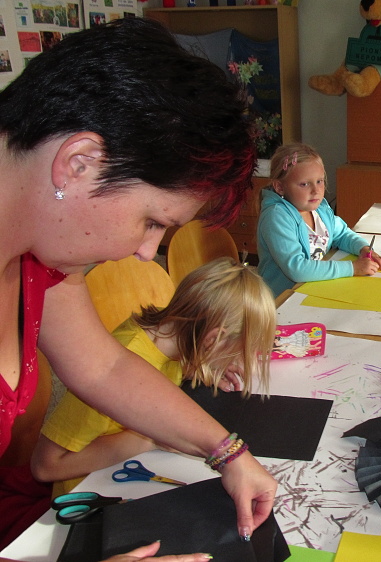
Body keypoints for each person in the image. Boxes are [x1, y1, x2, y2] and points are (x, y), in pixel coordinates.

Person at [0, 17, 276, 560]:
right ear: (79, 163)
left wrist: (228, 452)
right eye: (152, 221)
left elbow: (102, 367)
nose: (148, 251)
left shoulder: (40, 258)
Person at [31, 257, 276, 495]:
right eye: (238, 352)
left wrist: (205, 366)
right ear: (213, 339)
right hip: (89, 492)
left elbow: (164, 366)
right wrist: (151, 439)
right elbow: (45, 466)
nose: (238, 360)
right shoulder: (117, 372)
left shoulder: (173, 332)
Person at [256, 142, 381, 297]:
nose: (316, 190)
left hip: (314, 290)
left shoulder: (319, 209)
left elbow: (342, 234)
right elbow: (297, 269)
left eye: (319, 181)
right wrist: (353, 268)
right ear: (280, 187)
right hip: (283, 300)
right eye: (304, 184)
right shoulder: (276, 217)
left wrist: (363, 249)